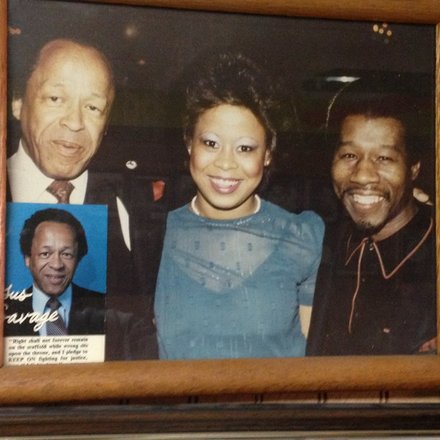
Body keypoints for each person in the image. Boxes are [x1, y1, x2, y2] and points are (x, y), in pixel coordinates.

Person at [154, 52, 324, 359]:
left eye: (245, 148)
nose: (226, 163)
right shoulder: (151, 236)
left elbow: (313, 365)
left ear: (268, 153)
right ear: (189, 143)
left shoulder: (302, 237)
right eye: (210, 143)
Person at [6, 38, 158, 359]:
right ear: (17, 102)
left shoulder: (128, 209)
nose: (74, 122)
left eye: (92, 107)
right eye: (56, 98)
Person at [306, 76, 436, 356]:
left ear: (413, 168)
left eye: (385, 158)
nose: (363, 175)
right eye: (349, 155)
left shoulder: (433, 253)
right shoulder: (320, 237)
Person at [5, 208, 105, 336]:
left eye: (67, 254)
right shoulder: (7, 310)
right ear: (27, 259)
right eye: (45, 254)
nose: (57, 265)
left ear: (78, 260)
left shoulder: (104, 306)